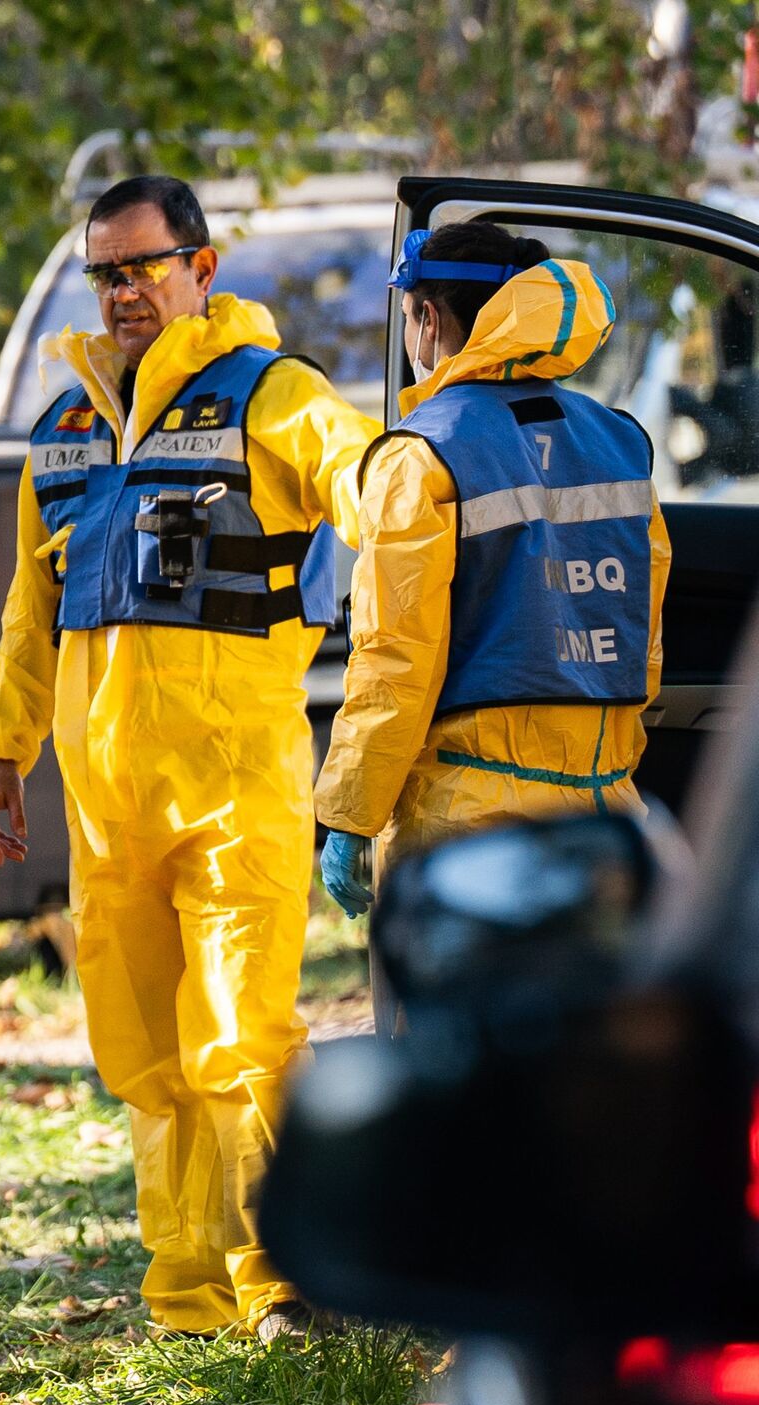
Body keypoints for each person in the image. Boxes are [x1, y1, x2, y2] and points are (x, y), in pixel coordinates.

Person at [0, 175, 376, 1343]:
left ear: (202, 267)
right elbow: (27, 613)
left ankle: (287, 1279)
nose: (124, 290)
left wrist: (407, 493)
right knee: (146, 1056)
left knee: (246, 1041)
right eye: (105, 271)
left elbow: (369, 478)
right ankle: (188, 1292)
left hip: (238, 783)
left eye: (144, 265)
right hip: (107, 810)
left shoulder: (272, 394)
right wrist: (0, 747)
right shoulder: (66, 430)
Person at [316, 224, 666, 928]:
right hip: (607, 814)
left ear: (429, 319)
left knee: (473, 1036)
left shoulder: (419, 455)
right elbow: (641, 630)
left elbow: (394, 657)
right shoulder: (620, 442)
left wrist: (350, 812)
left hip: (471, 831)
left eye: (409, 315)